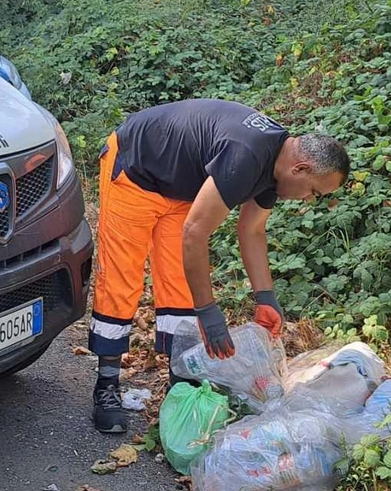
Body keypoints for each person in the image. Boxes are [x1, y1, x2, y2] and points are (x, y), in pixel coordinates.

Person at [88, 98, 350, 433]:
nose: (310, 200)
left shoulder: (277, 165)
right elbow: (196, 232)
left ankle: (179, 385)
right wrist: (209, 312)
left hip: (179, 187)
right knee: (121, 279)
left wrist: (265, 297)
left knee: (179, 285)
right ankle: (107, 385)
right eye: (314, 191)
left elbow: (252, 229)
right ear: (299, 169)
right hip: (135, 170)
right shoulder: (246, 155)